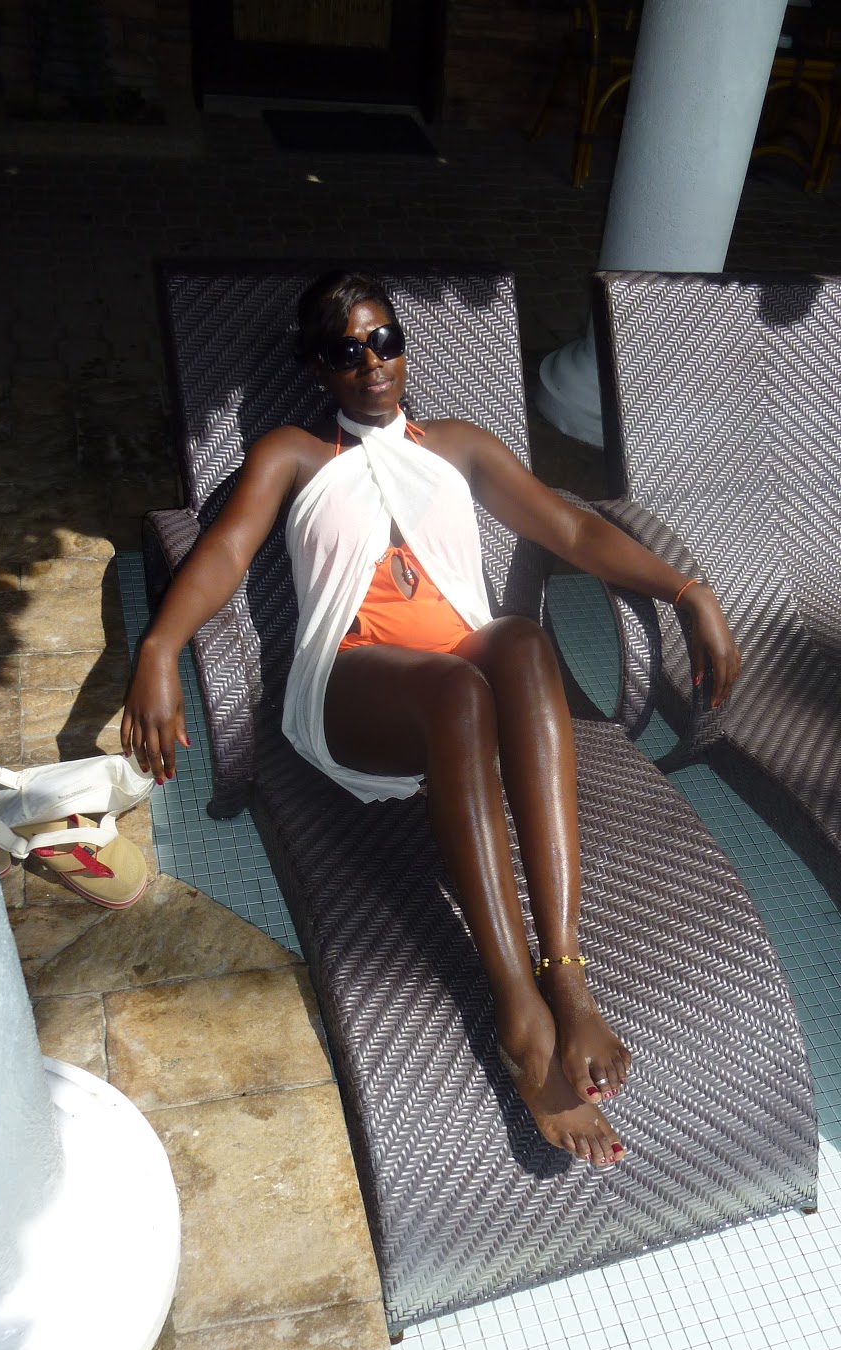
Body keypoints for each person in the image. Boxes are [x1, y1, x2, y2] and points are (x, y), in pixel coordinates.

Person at [121, 270, 741, 1169]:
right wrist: (158, 648)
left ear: (403, 347)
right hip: (353, 690)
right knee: (457, 690)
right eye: (347, 350)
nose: (371, 362)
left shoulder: (458, 445)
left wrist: (689, 591)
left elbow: (571, 532)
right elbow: (223, 553)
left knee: (520, 640)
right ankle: (518, 1012)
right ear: (319, 368)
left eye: (385, 340)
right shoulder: (293, 453)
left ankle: (566, 975)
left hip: (466, 680)